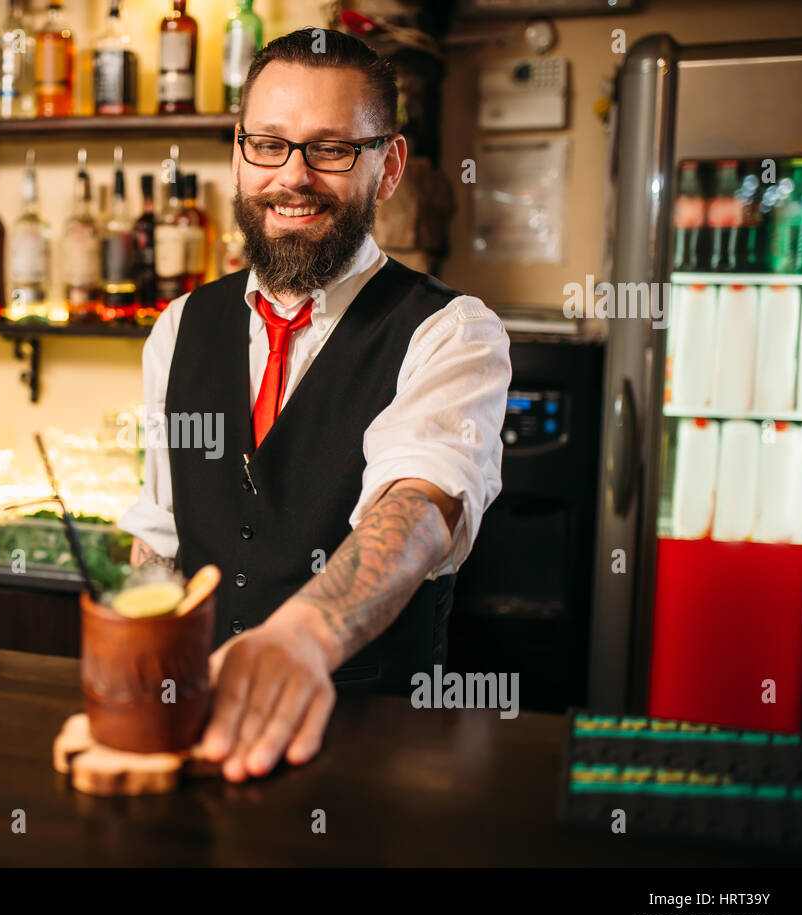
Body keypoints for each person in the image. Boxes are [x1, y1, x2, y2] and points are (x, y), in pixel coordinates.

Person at [118, 28, 511, 783]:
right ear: (238, 153)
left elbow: (417, 509)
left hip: (372, 754)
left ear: (388, 166)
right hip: (204, 739)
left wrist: (300, 636)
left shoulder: (450, 332)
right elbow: (164, 534)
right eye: (268, 144)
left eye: (332, 149)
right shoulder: (180, 327)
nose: (292, 177)